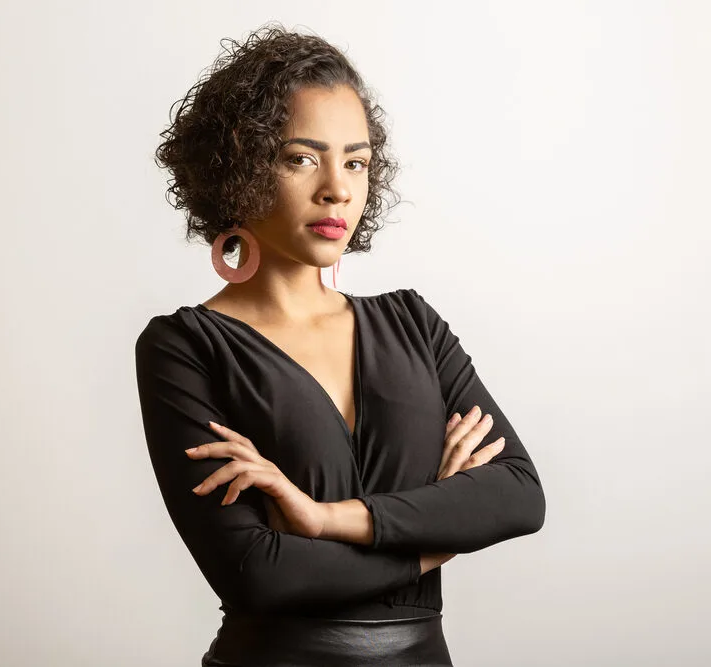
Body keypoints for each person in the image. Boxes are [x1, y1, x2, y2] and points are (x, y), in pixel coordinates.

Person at [134, 22, 546, 666]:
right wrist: (438, 534)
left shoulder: (413, 324)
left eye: (354, 161)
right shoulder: (183, 347)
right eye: (301, 158)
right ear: (237, 167)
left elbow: (519, 495)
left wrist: (325, 521)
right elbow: (258, 572)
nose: (338, 188)